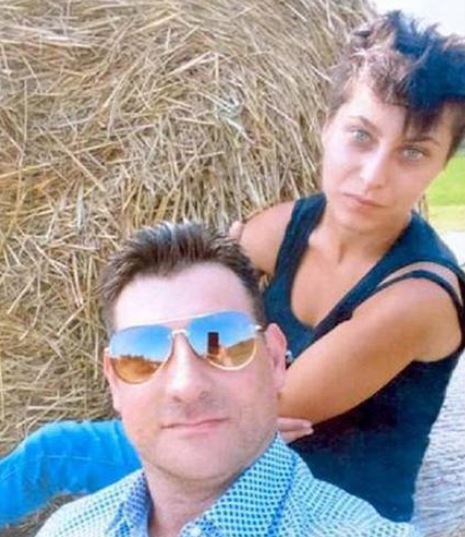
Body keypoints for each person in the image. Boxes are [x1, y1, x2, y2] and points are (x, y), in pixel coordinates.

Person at [1, 10, 465, 528]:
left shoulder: (416, 299)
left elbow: (261, 404)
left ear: (441, 165)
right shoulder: (290, 226)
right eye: (361, 135)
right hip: (219, 470)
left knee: (50, 453)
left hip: (307, 508)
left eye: (413, 153)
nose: (374, 175)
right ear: (326, 127)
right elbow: (196, 271)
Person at [35, 221, 418, 537]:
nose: (187, 386)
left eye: (223, 342)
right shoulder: (67, 528)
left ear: (274, 359)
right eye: (144, 354)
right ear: (114, 381)